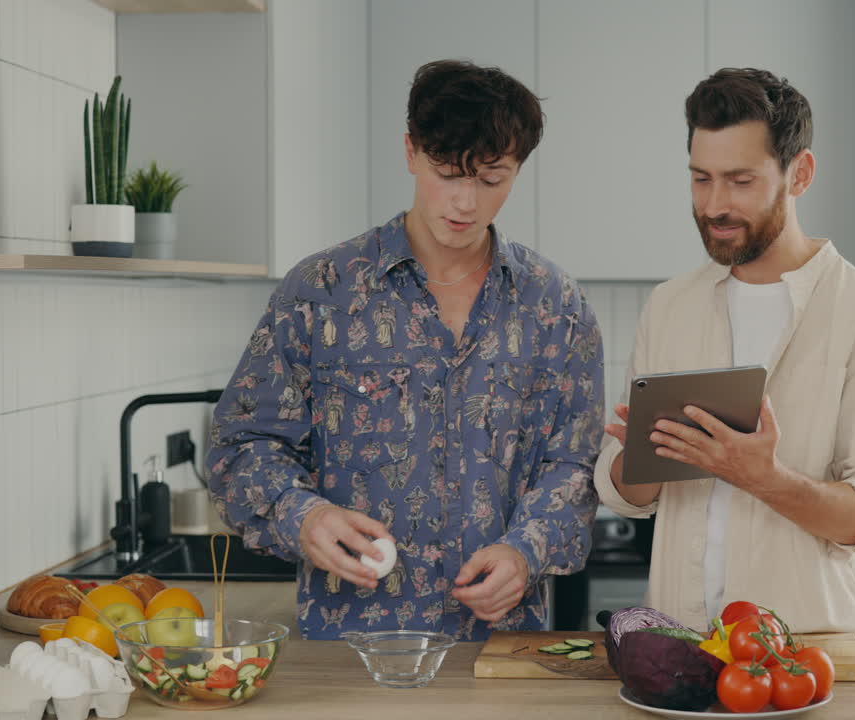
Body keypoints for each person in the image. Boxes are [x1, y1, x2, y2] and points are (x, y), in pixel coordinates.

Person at [207, 60, 604, 640]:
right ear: (410, 152)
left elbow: (573, 463)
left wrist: (526, 551)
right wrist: (305, 516)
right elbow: (240, 446)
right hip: (347, 654)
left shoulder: (557, 307)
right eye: (447, 172)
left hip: (499, 652)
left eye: (492, 178)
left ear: (518, 170)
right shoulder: (319, 291)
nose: (466, 202)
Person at [593, 68, 855, 643]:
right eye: (701, 180)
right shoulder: (670, 306)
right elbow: (629, 496)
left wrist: (763, 478)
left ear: (800, 174)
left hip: (812, 662)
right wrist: (636, 463)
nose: (715, 204)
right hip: (679, 652)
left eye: (740, 181)